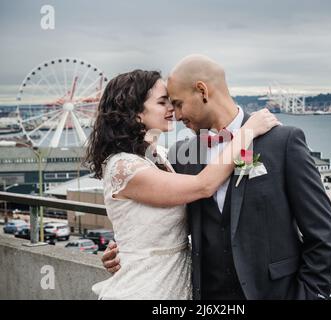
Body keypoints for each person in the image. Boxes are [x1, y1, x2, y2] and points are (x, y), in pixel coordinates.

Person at [103, 55, 331, 300]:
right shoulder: (180, 157)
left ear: (202, 91)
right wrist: (125, 251)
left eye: (178, 103)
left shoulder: (282, 142)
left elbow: (321, 231)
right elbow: (154, 214)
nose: (176, 114)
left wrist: (311, 294)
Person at [85, 69, 279, 300]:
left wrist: (126, 247)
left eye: (172, 102)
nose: (173, 110)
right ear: (135, 113)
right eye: (162, 102)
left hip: (177, 285)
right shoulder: (123, 167)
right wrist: (247, 132)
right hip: (144, 289)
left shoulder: (160, 158)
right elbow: (203, 186)